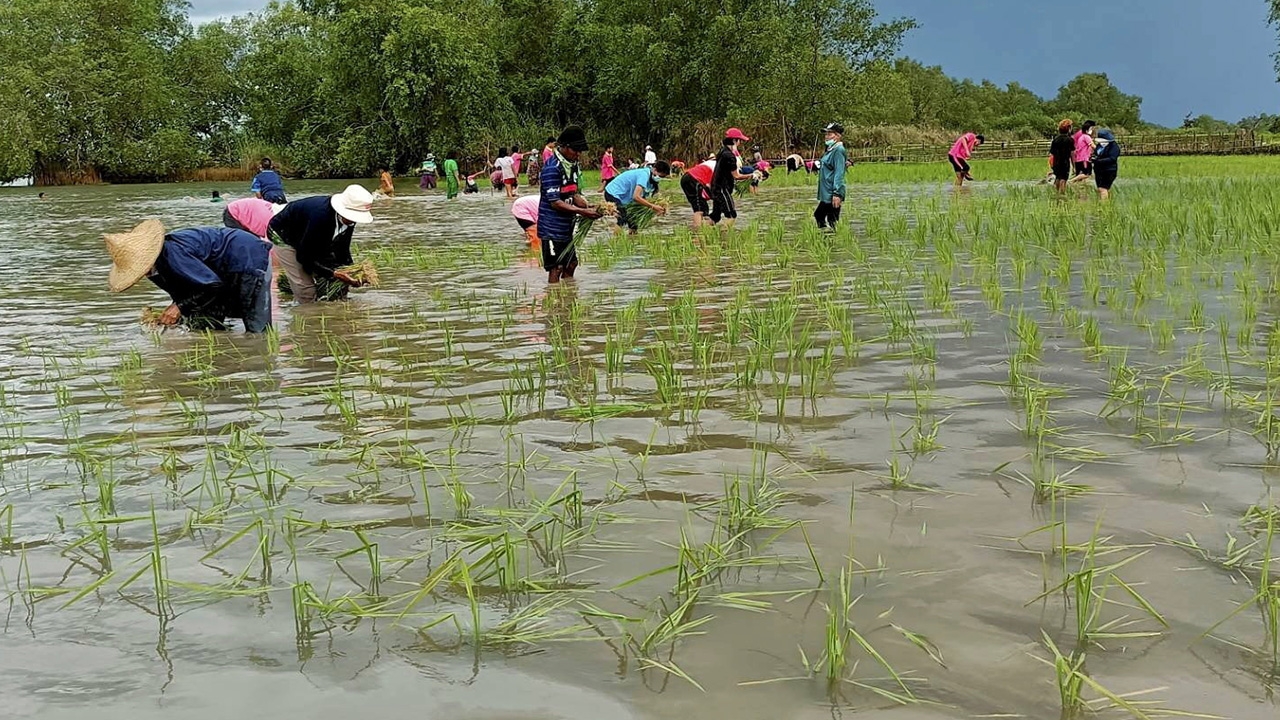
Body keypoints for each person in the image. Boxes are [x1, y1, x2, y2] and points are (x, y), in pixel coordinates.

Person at [104, 220, 272, 332]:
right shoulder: (155, 269)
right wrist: (175, 309)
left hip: (247, 257)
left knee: (257, 326)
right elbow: (185, 291)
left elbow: (212, 286)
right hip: (220, 271)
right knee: (204, 325)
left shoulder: (172, 254)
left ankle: (262, 369)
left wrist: (179, 307)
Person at [267, 185, 374, 304]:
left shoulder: (349, 221)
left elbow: (342, 248)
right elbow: (303, 256)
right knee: (306, 288)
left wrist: (353, 271)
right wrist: (333, 273)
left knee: (335, 283)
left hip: (305, 234)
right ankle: (307, 312)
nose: (354, 220)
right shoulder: (320, 216)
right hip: (283, 234)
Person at [538, 126, 601, 284]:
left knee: (572, 264)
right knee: (556, 267)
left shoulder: (571, 166)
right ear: (564, 147)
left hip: (566, 226)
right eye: (575, 150)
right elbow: (555, 202)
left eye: (580, 151)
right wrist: (583, 212)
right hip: (551, 228)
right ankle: (554, 301)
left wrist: (590, 207)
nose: (578, 154)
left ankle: (568, 299)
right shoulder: (552, 168)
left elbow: (572, 193)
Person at [604, 161, 671, 233]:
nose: (660, 178)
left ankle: (633, 239)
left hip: (624, 197)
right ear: (654, 170)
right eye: (660, 176)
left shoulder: (651, 180)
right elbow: (636, 197)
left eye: (663, 177)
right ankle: (615, 239)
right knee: (622, 217)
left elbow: (645, 197)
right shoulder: (644, 175)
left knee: (633, 220)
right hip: (612, 193)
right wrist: (653, 206)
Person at [710, 128, 755, 228]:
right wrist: (752, 175)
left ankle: (699, 232)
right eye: (739, 141)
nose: (740, 143)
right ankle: (724, 239)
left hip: (715, 187)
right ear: (734, 140)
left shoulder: (722, 152)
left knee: (715, 217)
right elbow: (737, 176)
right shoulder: (730, 156)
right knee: (731, 215)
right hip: (721, 189)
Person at [814, 123, 848, 230]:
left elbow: (839, 172)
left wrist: (837, 193)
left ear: (837, 136)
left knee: (830, 219)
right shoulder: (830, 150)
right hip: (826, 192)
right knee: (821, 216)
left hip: (832, 192)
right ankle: (826, 240)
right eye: (826, 134)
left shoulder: (838, 150)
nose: (827, 136)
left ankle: (830, 242)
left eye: (830, 134)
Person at [681, 156, 716, 228]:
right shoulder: (720, 166)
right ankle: (697, 233)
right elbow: (711, 187)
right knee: (699, 209)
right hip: (693, 179)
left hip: (688, 178)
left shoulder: (711, 163)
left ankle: (701, 228)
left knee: (703, 207)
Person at [1093, 129, 1120, 202]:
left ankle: (1104, 206)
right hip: (1099, 170)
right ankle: (1108, 202)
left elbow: (1112, 158)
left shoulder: (1114, 147)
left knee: (1103, 188)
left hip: (1109, 170)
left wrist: (1099, 161)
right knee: (1100, 189)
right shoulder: (1099, 145)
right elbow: (1096, 154)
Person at [1050, 119, 1075, 194]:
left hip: (1056, 162)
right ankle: (1062, 195)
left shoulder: (1055, 139)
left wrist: (1051, 164)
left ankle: (1057, 193)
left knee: (1058, 178)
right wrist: (1074, 166)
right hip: (1065, 162)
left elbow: (1052, 154)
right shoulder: (1070, 140)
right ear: (1069, 128)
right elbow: (1072, 154)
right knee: (1063, 179)